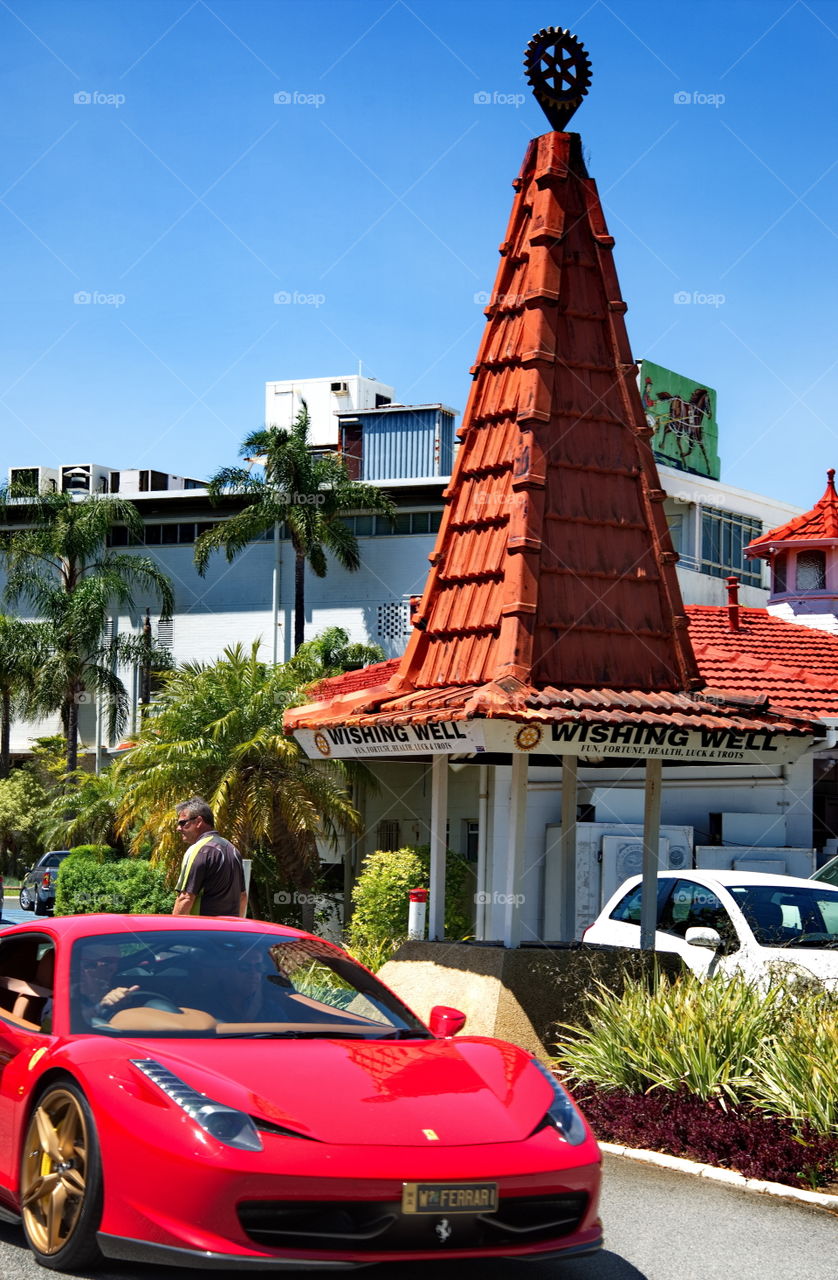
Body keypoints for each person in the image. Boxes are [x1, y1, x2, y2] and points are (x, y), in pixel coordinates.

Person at [172, 797, 247, 917]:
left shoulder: (199, 850)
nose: (178, 828)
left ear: (198, 822)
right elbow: (242, 896)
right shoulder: (233, 850)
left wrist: (173, 932)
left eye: (182, 823)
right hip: (229, 932)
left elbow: (186, 898)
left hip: (202, 931)